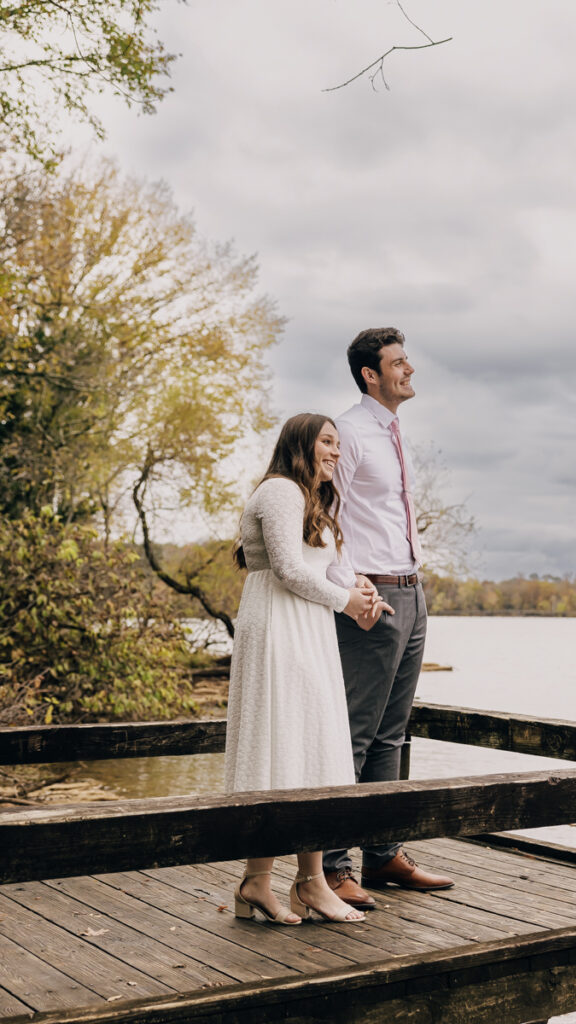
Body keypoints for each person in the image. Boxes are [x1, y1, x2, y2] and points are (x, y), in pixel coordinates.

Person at [225, 412, 384, 925]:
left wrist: (360, 589)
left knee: (311, 743)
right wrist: (344, 602)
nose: (337, 452)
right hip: (278, 627)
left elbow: (323, 568)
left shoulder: (310, 498)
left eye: (339, 444)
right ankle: (265, 882)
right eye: (328, 443)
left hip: (306, 629)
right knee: (281, 744)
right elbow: (289, 570)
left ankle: (304, 883)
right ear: (301, 445)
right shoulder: (279, 492)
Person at [324, 327, 454, 908]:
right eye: (398, 363)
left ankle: (381, 856)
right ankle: (331, 866)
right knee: (353, 732)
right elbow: (328, 512)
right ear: (369, 375)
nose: (409, 369)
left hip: (411, 588)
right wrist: (353, 583)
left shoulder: (394, 431)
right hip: (371, 594)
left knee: (393, 734)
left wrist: (414, 579)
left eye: (408, 360)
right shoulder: (348, 432)